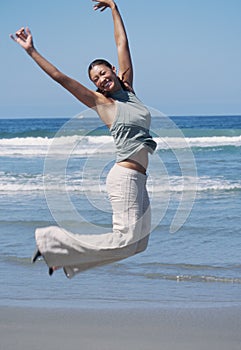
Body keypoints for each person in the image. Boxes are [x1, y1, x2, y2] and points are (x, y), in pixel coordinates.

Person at [10, 0, 157, 278]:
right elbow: (60, 78)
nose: (101, 79)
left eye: (103, 73)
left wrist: (114, 7)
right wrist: (32, 52)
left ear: (114, 70)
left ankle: (70, 262)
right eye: (96, 79)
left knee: (138, 244)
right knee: (125, 239)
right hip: (124, 177)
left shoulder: (130, 91)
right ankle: (51, 240)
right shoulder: (103, 104)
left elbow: (122, 43)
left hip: (140, 179)